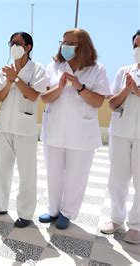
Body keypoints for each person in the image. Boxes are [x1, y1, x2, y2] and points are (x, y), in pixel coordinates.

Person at [39, 28, 110, 229]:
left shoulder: (97, 69)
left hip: (82, 132)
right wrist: (60, 88)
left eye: (71, 43)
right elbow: (44, 98)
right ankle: (53, 210)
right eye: (63, 42)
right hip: (54, 128)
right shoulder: (54, 66)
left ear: (84, 46)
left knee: (76, 175)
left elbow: (98, 101)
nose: (65, 46)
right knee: (53, 173)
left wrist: (79, 87)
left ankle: (67, 212)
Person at [0, 32, 48, 228]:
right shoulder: (5, 70)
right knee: (1, 169)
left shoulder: (37, 69)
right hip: (5, 126)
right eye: (11, 42)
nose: (14, 45)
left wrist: (18, 80)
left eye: (18, 43)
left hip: (25, 128)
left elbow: (32, 95)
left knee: (27, 173)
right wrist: (10, 81)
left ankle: (25, 213)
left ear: (28, 47)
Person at [100, 30, 140, 244]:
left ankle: (137, 225)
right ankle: (117, 219)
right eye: (135, 45)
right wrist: (128, 88)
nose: (138, 50)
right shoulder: (125, 71)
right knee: (117, 179)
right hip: (121, 132)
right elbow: (113, 103)